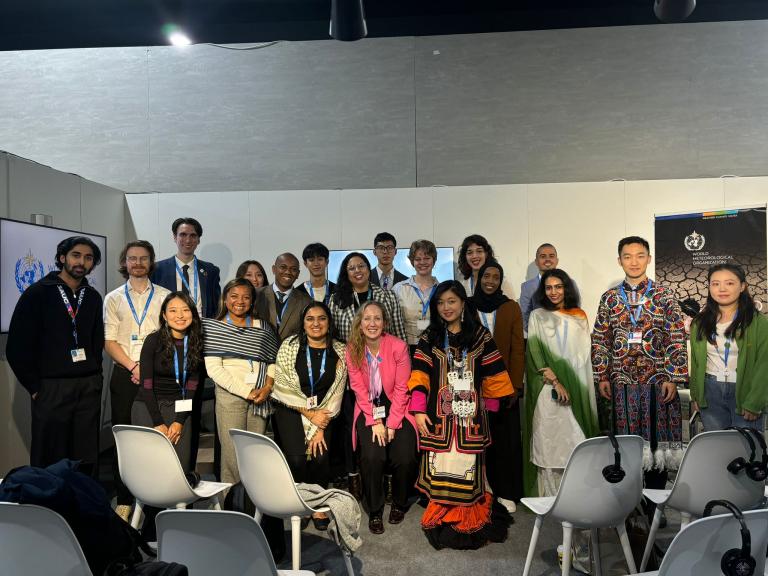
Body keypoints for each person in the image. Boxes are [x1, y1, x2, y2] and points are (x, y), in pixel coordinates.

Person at [408, 280, 514, 550]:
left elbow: (493, 378)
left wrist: (485, 416)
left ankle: (467, 514)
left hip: (471, 420)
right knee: (441, 467)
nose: (446, 307)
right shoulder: (429, 337)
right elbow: (419, 376)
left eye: (452, 301)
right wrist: (419, 412)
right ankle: (443, 512)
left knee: (466, 468)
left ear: (463, 303)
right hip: (438, 418)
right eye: (441, 302)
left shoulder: (480, 336)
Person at [592, 236, 686, 492]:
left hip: (657, 381)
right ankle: (633, 505)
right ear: (619, 260)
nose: (634, 261)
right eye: (628, 256)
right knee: (627, 441)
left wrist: (672, 377)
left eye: (640, 255)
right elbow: (601, 338)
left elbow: (675, 335)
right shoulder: (610, 298)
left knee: (657, 442)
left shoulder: (664, 295)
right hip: (622, 382)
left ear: (649, 258)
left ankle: (655, 503)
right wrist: (601, 375)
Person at [7, 236, 104, 473]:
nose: (81, 262)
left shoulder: (91, 297)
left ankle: (81, 505)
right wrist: (35, 386)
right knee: (50, 452)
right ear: (62, 258)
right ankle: (49, 507)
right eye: (76, 255)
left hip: (87, 386)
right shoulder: (38, 293)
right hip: (52, 387)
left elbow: (96, 340)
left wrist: (96, 376)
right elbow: (17, 346)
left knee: (85, 454)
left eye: (88, 258)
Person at [329, 252, 407, 499]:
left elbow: (398, 330)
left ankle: (387, 481)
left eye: (361, 265)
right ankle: (355, 479)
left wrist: (397, 358)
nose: (357, 270)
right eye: (351, 267)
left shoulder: (385, 295)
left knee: (384, 436)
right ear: (346, 271)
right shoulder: (336, 298)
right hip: (353, 365)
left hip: (385, 361)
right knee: (352, 429)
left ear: (368, 267)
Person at [103, 240, 170, 520]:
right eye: (132, 258)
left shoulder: (166, 296)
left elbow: (170, 337)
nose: (138, 263)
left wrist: (147, 368)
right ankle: (125, 497)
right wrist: (133, 366)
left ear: (151, 262)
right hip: (124, 374)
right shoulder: (113, 298)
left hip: (157, 376)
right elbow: (109, 341)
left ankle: (155, 496)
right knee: (125, 438)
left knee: (155, 437)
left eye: (143, 258)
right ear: (125, 263)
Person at [523, 269, 600, 497]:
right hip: (548, 388)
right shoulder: (537, 315)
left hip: (576, 386)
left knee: (575, 439)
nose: (554, 292)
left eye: (558, 286)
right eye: (548, 287)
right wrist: (556, 380)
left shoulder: (580, 315)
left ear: (566, 288)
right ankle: (551, 495)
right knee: (549, 440)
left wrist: (572, 381)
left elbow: (584, 355)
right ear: (543, 291)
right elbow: (535, 351)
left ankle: (576, 493)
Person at [272, 302, 348, 530]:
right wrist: (309, 414)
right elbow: (283, 385)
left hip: (326, 412)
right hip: (292, 408)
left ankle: (319, 505)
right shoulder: (289, 346)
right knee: (296, 459)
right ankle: (303, 502)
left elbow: (337, 390)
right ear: (302, 323)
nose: (316, 323)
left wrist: (320, 423)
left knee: (321, 458)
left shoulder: (340, 350)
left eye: (322, 318)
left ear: (329, 322)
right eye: (310, 319)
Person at [346, 301, 418, 534]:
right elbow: (357, 388)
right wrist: (375, 423)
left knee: (404, 455)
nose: (372, 323)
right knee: (372, 455)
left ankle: (399, 502)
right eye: (367, 318)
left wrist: (393, 424)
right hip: (368, 410)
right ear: (360, 323)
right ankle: (375, 509)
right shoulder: (353, 348)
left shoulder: (398, 347)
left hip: (398, 407)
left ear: (385, 323)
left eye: (377, 318)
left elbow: (401, 389)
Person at [202, 278, 280, 485]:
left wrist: (268, 386)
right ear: (225, 299)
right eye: (234, 296)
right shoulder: (213, 328)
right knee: (232, 456)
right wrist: (247, 392)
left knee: (255, 453)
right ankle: (232, 508)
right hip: (230, 397)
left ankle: (255, 505)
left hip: (261, 395)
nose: (240, 301)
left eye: (246, 297)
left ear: (253, 301)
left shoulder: (263, 327)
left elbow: (272, 360)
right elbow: (214, 369)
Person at [469, 260, 525, 511]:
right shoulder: (467, 306)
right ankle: (480, 490)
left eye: (495, 277)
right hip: (472, 385)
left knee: (504, 440)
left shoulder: (510, 307)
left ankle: (506, 492)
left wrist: (515, 385)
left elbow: (517, 350)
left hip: (503, 387)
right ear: (478, 279)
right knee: (475, 438)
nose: (490, 281)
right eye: (486, 276)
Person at [689, 263, 768, 431]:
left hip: (745, 391)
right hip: (710, 392)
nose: (722, 289)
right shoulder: (699, 322)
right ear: (709, 287)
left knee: (747, 449)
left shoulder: (758, 322)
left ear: (742, 286)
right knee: (717, 448)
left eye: (730, 283)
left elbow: (764, 365)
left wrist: (755, 401)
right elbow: (696, 363)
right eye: (715, 283)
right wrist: (695, 394)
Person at [132, 291, 203, 471]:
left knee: (180, 466)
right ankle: (148, 500)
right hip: (149, 406)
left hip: (180, 406)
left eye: (185, 310)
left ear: (193, 314)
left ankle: (180, 500)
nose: (179, 315)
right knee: (150, 467)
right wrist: (158, 422)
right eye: (172, 311)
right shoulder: (153, 340)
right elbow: (146, 385)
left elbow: (192, 385)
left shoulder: (195, 341)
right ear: (164, 315)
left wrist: (179, 421)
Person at [151, 217, 221, 318]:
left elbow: (217, 306)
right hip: (170, 329)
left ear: (198, 240)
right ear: (175, 237)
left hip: (203, 328)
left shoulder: (211, 271)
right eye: (183, 235)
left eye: (193, 235)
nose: (188, 240)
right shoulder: (157, 269)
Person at [393, 239, 440, 351]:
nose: (422, 262)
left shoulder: (442, 289)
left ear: (434, 260)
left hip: (435, 347)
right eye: (417, 259)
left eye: (427, 258)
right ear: (412, 262)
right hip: (405, 348)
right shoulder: (398, 288)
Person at [254, 253, 311, 342]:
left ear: (298, 274)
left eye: (293, 269)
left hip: (291, 354)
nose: (288, 272)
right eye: (283, 267)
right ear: (273, 269)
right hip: (261, 353)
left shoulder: (307, 301)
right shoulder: (256, 295)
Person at [519, 243, 559, 337]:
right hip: (538, 340)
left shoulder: (569, 283)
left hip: (564, 342)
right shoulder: (527, 287)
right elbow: (525, 318)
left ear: (557, 260)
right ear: (536, 261)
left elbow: (573, 314)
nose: (547, 259)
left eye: (551, 256)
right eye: (543, 256)